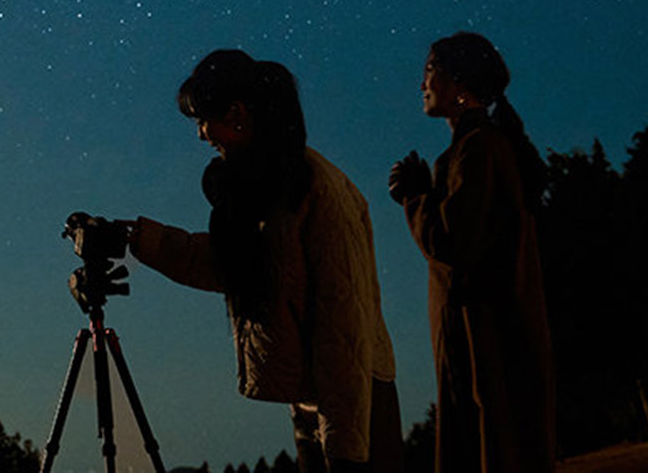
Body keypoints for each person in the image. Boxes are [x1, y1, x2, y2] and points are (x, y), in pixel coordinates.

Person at [126, 50, 403, 473]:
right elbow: (226, 264)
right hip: (316, 399)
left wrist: (346, 450)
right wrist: (136, 238)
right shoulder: (266, 185)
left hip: (354, 406)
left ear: (237, 115)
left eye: (203, 119)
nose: (201, 134)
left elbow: (344, 324)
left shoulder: (313, 187)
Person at [388, 32, 556, 472]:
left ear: (459, 83)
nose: (421, 82)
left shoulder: (477, 149)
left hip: (481, 348)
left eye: (430, 70)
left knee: (488, 446)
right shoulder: (480, 148)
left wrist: (414, 196)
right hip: (487, 341)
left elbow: (453, 244)